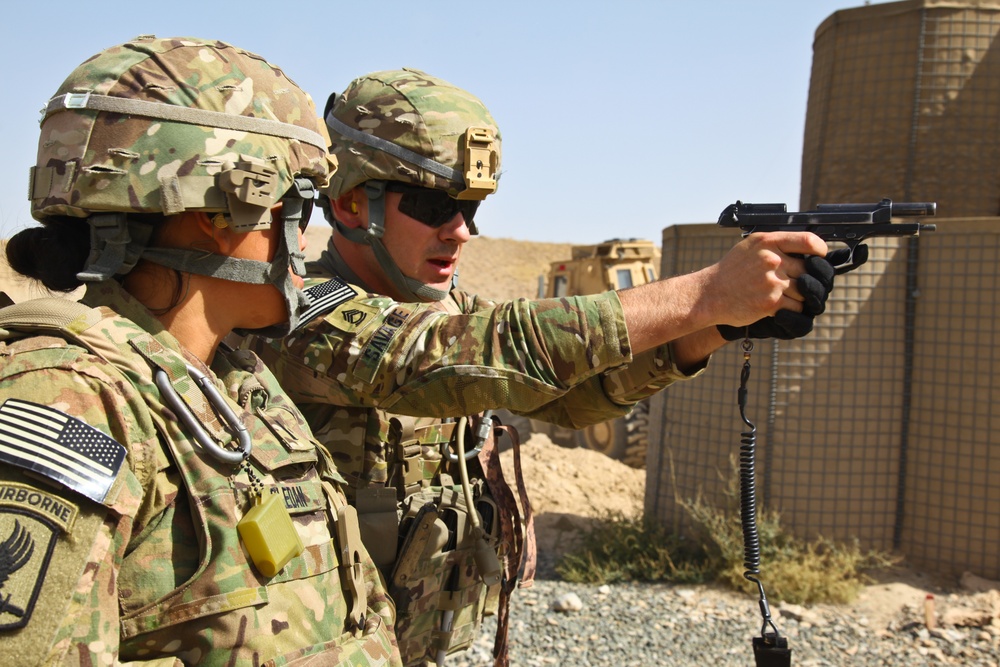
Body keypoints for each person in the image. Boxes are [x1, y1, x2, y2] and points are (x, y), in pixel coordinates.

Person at [246, 68, 863, 666]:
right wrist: (707, 293)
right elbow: (452, 358)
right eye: (434, 205)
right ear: (352, 205)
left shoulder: (454, 310)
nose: (461, 232)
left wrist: (712, 330)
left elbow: (568, 398)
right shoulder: (301, 311)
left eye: (471, 206)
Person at [0, 36, 402, 666]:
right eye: (295, 208)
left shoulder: (233, 380)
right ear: (222, 213)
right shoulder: (73, 398)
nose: (307, 240)